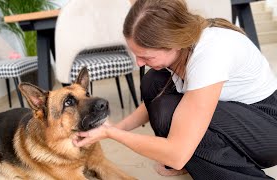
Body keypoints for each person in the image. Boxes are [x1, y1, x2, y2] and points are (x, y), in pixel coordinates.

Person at [73, 0, 277, 179]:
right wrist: (115, 127)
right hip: (240, 115)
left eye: (147, 56)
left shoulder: (209, 54)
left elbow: (177, 155)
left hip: (267, 129)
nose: (139, 62)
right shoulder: (182, 47)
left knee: (171, 116)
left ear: (173, 44)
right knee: (153, 82)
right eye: (136, 54)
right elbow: (150, 105)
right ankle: (195, 161)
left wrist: (112, 134)